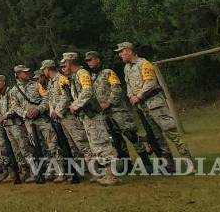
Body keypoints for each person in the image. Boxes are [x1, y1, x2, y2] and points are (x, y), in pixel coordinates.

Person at [116, 42, 193, 171]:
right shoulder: (126, 68)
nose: (120, 54)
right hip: (143, 107)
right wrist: (131, 96)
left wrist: (138, 96)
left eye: (121, 51)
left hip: (155, 104)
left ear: (129, 51)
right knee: (158, 137)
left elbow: (150, 82)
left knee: (171, 133)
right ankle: (169, 164)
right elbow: (128, 85)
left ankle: (189, 163)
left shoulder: (144, 64)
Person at [84, 50, 152, 168]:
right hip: (104, 114)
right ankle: (127, 165)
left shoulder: (108, 72)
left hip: (117, 110)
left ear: (98, 60)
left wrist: (109, 103)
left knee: (130, 134)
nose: (89, 62)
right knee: (116, 140)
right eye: (87, 61)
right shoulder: (91, 77)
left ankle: (146, 162)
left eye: (90, 59)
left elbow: (116, 89)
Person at [63, 52, 120, 185]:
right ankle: (107, 174)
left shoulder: (82, 73)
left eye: (65, 62)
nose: (64, 65)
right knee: (95, 145)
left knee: (101, 143)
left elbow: (87, 91)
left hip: (92, 114)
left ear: (70, 62)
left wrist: (75, 105)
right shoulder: (75, 76)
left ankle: (112, 176)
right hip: (86, 116)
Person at [10, 65, 66, 183]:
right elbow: (14, 106)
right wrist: (25, 113)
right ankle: (49, 171)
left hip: (42, 119)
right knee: (39, 147)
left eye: (28, 71)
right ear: (18, 74)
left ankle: (61, 171)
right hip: (29, 123)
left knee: (52, 144)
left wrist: (39, 109)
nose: (27, 73)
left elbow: (47, 98)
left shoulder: (36, 85)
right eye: (24, 72)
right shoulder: (14, 91)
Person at [0, 73, 36, 183]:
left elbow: (14, 107)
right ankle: (24, 171)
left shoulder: (11, 92)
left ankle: (34, 171)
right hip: (7, 126)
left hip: (15, 123)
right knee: (16, 151)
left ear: (3, 82)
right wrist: (0, 117)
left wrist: (5, 116)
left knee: (24, 148)